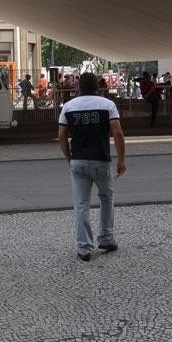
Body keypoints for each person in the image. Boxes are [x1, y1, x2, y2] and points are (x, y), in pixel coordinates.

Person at [57, 72, 126, 262]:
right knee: (106, 198)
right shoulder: (107, 105)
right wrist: (121, 158)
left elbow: (62, 134)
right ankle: (106, 238)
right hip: (101, 159)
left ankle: (84, 248)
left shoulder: (69, 106)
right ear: (97, 86)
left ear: (79, 87)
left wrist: (69, 157)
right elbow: (117, 132)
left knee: (81, 205)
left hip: (78, 160)